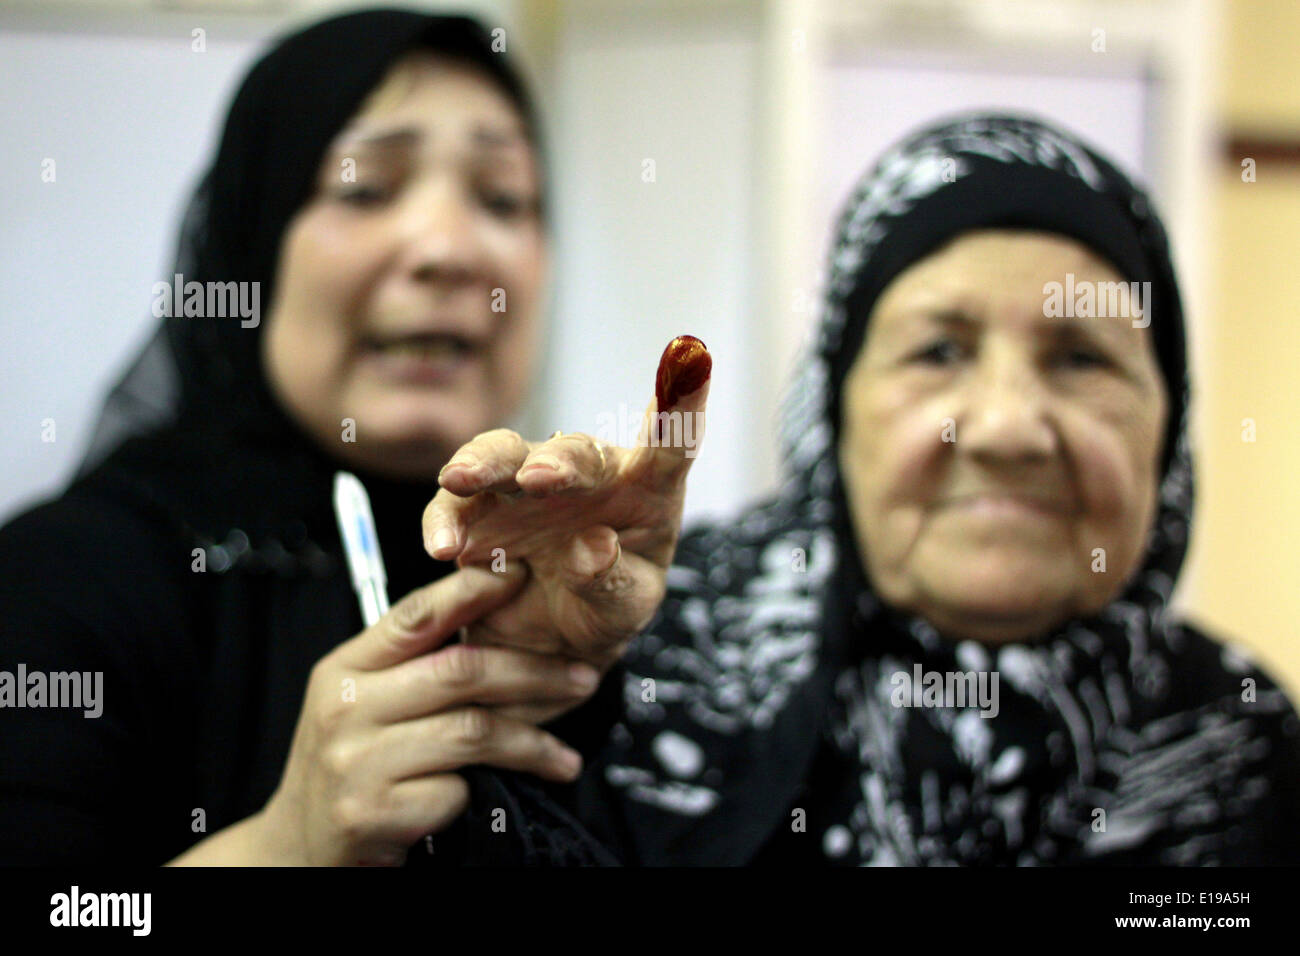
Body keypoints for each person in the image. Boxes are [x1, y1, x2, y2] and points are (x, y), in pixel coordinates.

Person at [428, 113, 1300, 865]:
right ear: (834, 416)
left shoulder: (1237, 740)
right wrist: (525, 692)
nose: (1003, 429)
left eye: (1081, 358)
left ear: (1168, 428)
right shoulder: (641, 660)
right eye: (939, 351)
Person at [0, 8, 699, 867]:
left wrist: (579, 681)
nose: (449, 249)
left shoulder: (595, 580)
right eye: (365, 187)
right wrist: (286, 845)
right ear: (251, 244)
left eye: (503, 197)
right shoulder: (67, 582)